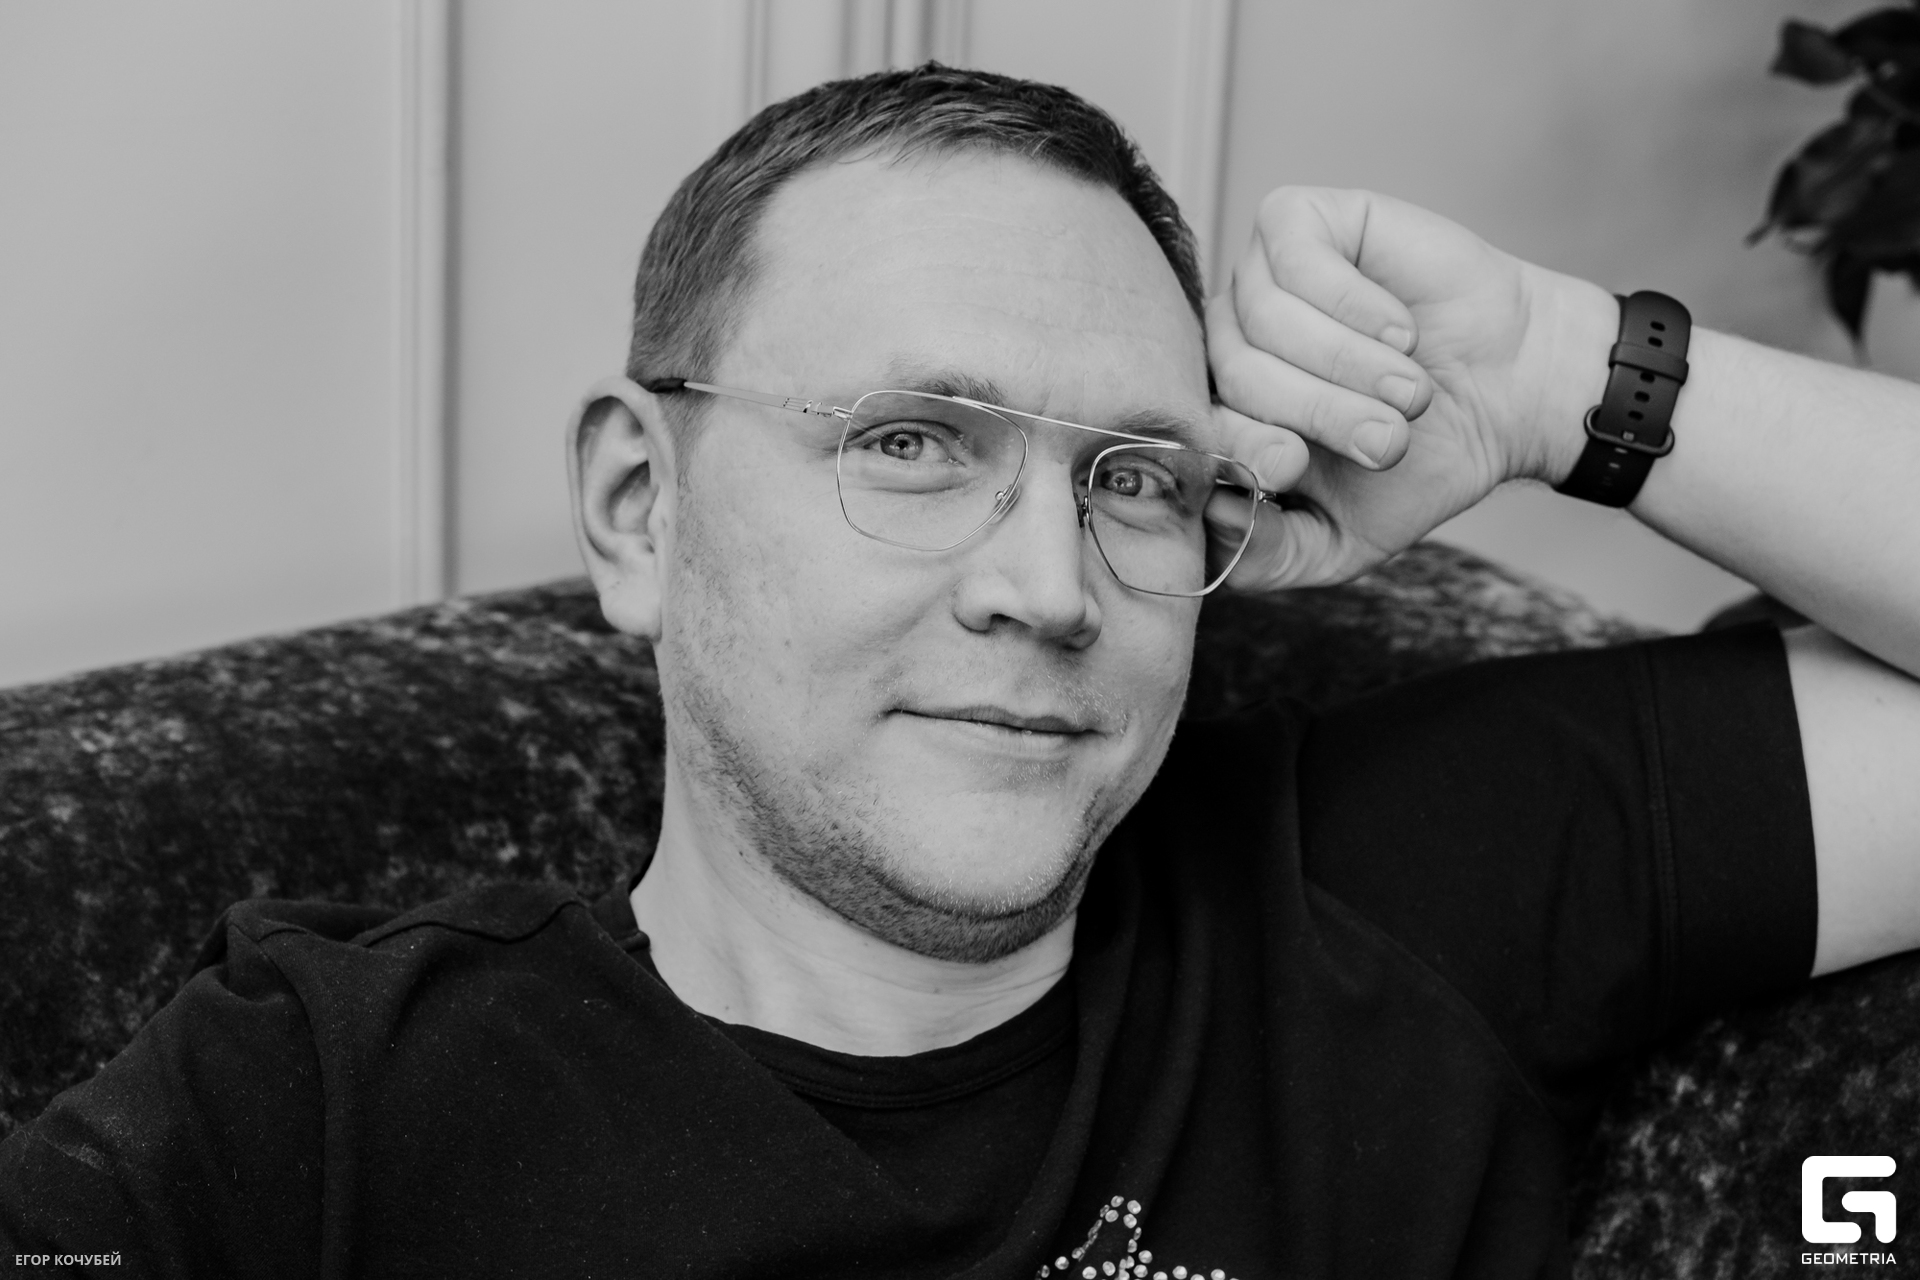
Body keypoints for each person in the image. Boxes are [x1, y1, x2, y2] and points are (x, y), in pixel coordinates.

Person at [3, 64, 1917, 1280]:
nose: (1047, 587)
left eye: (1134, 477)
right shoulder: (320, 1102)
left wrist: (1558, 376)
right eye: (913, 442)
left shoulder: (1397, 896)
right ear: (639, 508)